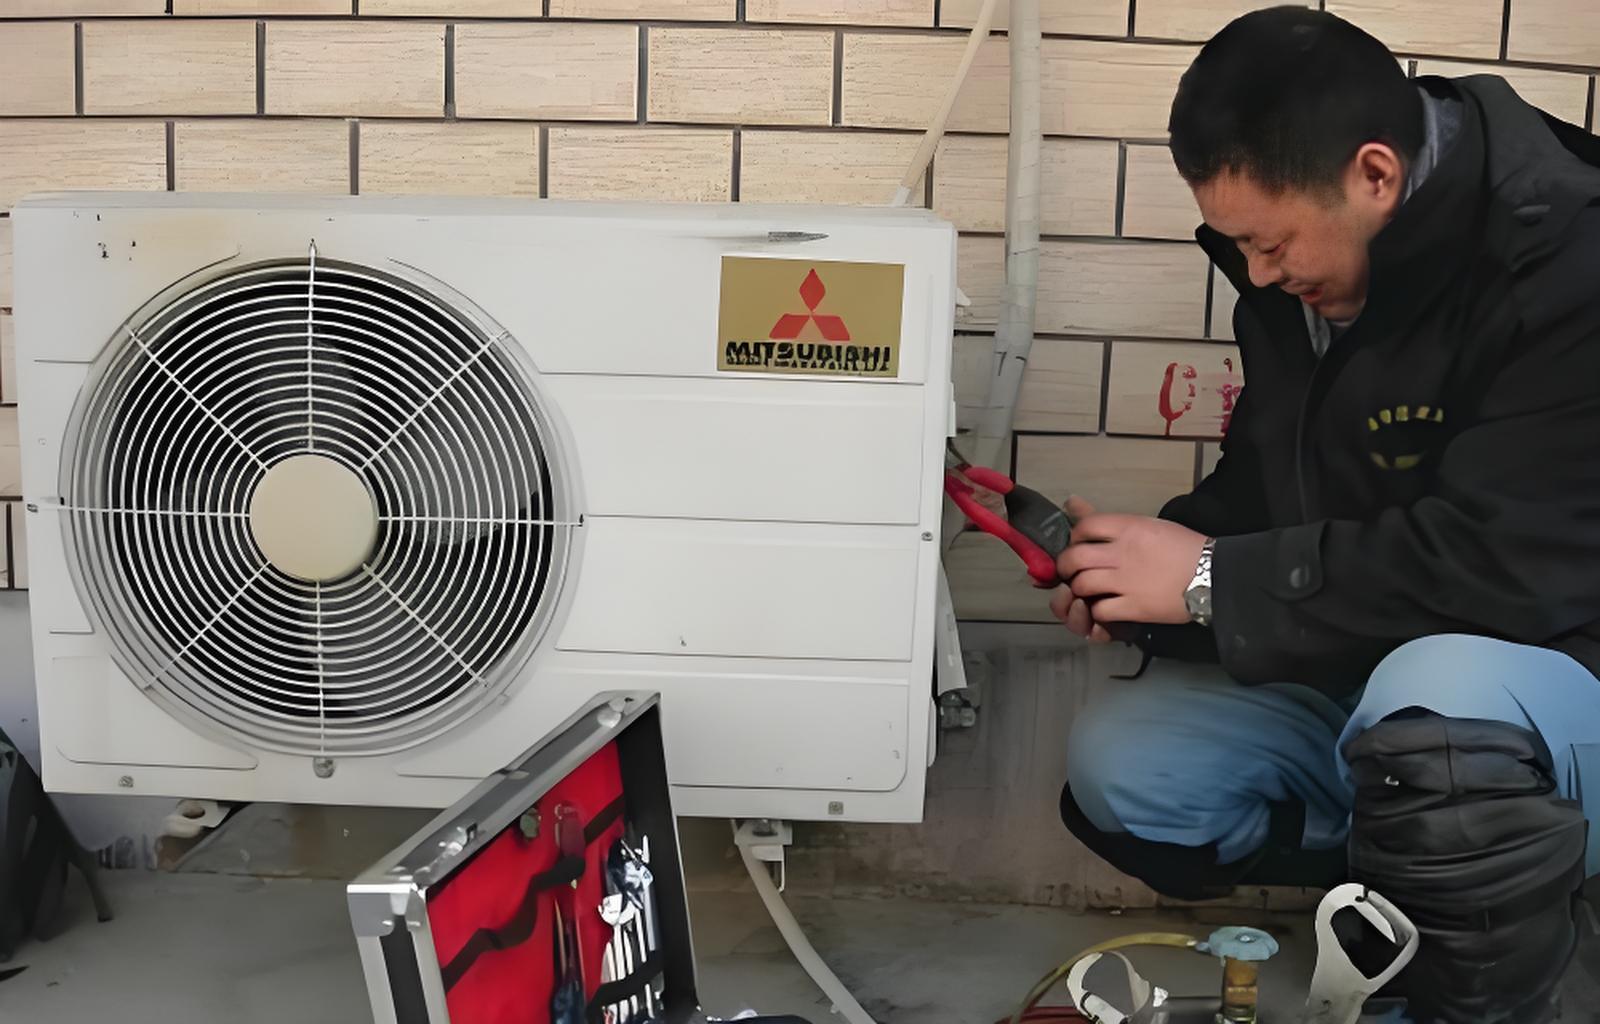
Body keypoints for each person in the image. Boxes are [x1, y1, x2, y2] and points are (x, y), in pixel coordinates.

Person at [1050, 8, 1600, 1022]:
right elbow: (1269, 491)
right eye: (1238, 246)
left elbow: (1505, 567)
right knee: (1124, 762)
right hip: (1388, 691)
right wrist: (1135, 577)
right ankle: (1421, 887)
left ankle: (1464, 976)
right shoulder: (1312, 278)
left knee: (1430, 712)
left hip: (1553, 682)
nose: (1257, 274)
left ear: (1375, 175)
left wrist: (1208, 580)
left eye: (1269, 243)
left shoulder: (1568, 255)